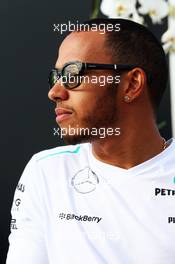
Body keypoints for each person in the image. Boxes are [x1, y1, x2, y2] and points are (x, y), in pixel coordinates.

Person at [6, 18, 175, 264]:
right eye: (56, 76)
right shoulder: (47, 172)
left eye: (72, 73)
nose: (55, 92)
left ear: (131, 84)